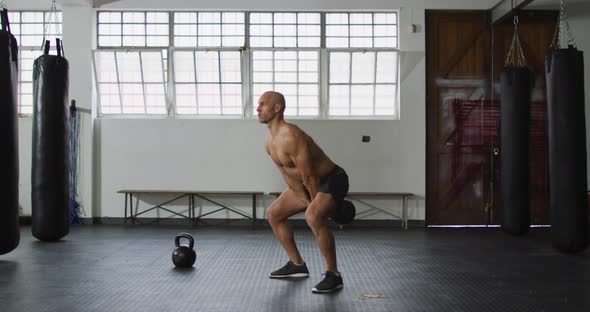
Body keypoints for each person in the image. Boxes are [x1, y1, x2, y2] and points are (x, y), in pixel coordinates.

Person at [256, 91, 349, 293]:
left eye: (262, 104)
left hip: (331, 179)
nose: (257, 109)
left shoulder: (292, 136)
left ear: (277, 108)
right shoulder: (269, 142)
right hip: (306, 184)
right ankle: (297, 265)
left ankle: (334, 275)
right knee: (274, 214)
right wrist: (301, 195)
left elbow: (311, 177)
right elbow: (287, 174)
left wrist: (314, 205)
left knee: (313, 217)